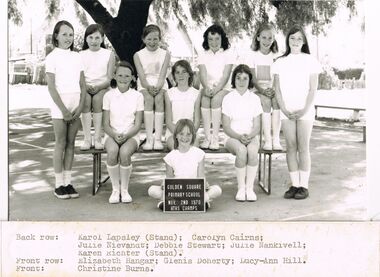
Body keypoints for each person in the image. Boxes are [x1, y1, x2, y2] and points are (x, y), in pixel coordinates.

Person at [272, 25, 322, 200]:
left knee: (303, 147)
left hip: (305, 111)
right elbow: (277, 89)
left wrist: (304, 110)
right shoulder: (279, 62)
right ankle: (294, 185)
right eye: (292, 38)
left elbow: (313, 89)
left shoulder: (311, 61)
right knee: (291, 148)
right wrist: (284, 109)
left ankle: (304, 186)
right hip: (287, 110)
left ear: (304, 41)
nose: (295, 41)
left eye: (299, 38)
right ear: (287, 40)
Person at [45, 20, 86, 199]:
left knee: (71, 144)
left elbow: (83, 85)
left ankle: (68, 182)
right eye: (64, 34)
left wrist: (80, 106)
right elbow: (51, 87)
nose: (68, 38)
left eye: (71, 34)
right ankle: (58, 185)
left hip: (75, 105)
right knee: (60, 143)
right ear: (56, 36)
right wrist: (63, 110)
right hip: (59, 105)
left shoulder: (77, 57)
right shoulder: (52, 57)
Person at [148, 119, 222, 210]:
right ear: (176, 136)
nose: (185, 137)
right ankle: (200, 202)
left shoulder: (199, 153)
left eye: (188, 134)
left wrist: (204, 184)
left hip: (194, 190)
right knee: (152, 190)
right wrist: (165, 185)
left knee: (217, 190)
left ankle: (171, 202)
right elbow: (169, 178)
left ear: (193, 136)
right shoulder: (170, 157)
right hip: (177, 191)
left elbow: (201, 176)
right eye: (181, 134)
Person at [103, 61, 143, 204]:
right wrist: (114, 135)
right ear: (114, 76)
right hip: (111, 134)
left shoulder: (138, 96)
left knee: (125, 153)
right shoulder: (108, 96)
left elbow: (138, 124)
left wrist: (127, 135)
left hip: (131, 135)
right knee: (113, 151)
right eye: (120, 75)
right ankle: (115, 189)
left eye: (127, 76)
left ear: (132, 77)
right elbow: (105, 124)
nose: (123, 78)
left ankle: (124, 190)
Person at [222, 64, 263, 201]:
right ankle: (241, 188)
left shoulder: (255, 99)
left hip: (251, 136)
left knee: (251, 151)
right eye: (238, 78)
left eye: (245, 78)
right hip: (232, 136)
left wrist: (250, 136)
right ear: (234, 80)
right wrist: (239, 137)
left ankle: (249, 188)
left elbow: (257, 126)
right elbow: (226, 127)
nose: (241, 81)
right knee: (241, 150)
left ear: (250, 80)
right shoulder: (228, 98)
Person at [133, 24, 171, 150]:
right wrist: (148, 87)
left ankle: (158, 139)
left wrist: (158, 87)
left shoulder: (165, 54)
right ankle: (149, 138)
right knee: (149, 100)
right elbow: (142, 77)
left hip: (160, 83)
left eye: (155, 39)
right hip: (145, 84)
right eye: (149, 39)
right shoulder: (138, 55)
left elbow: (163, 74)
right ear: (143, 39)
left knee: (159, 99)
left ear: (159, 39)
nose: (152, 42)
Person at [80, 24, 115, 150]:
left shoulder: (109, 54)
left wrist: (99, 87)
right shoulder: (81, 55)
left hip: (103, 87)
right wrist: (86, 86)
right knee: (86, 101)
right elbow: (80, 77)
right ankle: (87, 138)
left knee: (97, 100)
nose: (94, 41)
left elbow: (109, 78)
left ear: (102, 39)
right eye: (90, 37)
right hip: (86, 86)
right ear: (86, 39)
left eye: (97, 37)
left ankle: (98, 137)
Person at [198, 24, 234, 150]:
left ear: (222, 39)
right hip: (208, 86)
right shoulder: (202, 54)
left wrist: (217, 89)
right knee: (205, 100)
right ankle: (207, 138)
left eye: (217, 39)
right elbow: (202, 74)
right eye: (211, 39)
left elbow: (225, 76)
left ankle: (215, 138)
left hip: (223, 88)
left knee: (216, 100)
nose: (214, 42)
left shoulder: (228, 54)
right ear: (207, 40)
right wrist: (206, 87)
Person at [248, 23, 282, 151]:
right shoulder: (252, 55)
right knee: (267, 102)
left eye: (270, 38)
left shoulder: (276, 56)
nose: (267, 41)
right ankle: (267, 140)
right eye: (264, 37)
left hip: (271, 89)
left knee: (277, 101)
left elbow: (277, 77)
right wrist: (262, 91)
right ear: (257, 38)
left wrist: (272, 89)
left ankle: (276, 139)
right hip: (256, 90)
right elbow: (253, 79)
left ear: (273, 40)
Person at [164, 60, 201, 150]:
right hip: (173, 133)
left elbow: (196, 121)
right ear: (174, 76)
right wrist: (179, 135)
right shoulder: (169, 93)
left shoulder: (196, 93)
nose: (181, 75)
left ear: (189, 74)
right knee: (178, 150)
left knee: (193, 150)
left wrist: (188, 134)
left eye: (184, 72)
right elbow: (168, 121)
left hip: (191, 133)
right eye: (177, 72)